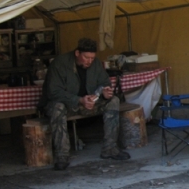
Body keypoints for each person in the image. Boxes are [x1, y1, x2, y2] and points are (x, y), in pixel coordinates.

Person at [38, 37, 130, 171]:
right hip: (68, 105)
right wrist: (79, 100)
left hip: (89, 104)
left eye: (92, 58)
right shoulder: (60, 63)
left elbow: (105, 83)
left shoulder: (96, 64)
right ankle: (62, 155)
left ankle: (110, 148)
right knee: (57, 107)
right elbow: (53, 91)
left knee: (114, 100)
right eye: (86, 57)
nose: (89, 61)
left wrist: (104, 93)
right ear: (77, 53)